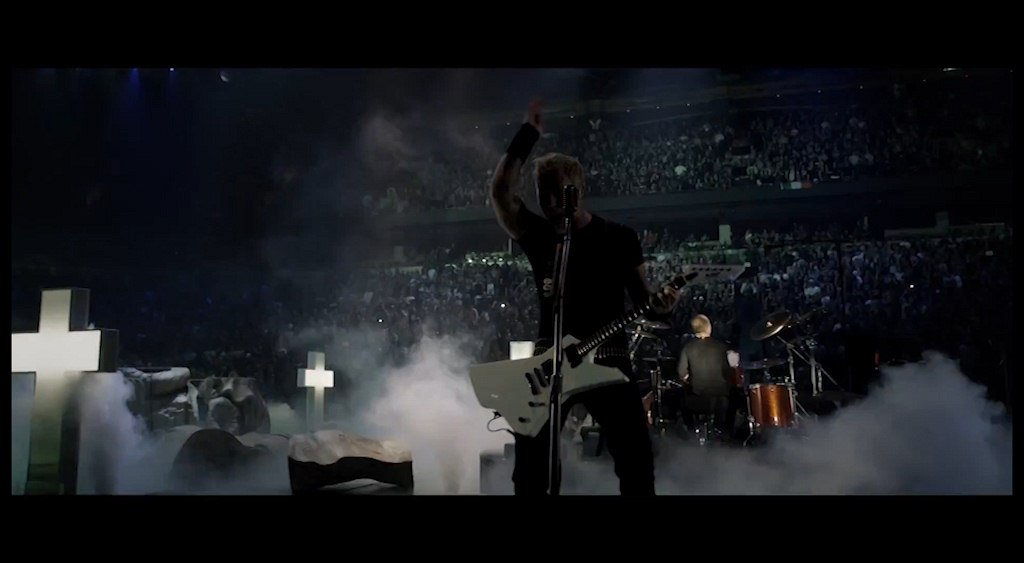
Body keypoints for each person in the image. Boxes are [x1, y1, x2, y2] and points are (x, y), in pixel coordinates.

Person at [489, 100, 682, 495]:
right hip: (550, 361)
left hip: (609, 358)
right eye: (543, 193)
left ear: (578, 190)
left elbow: (645, 302)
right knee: (532, 469)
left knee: (635, 462)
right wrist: (527, 136)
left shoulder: (619, 238)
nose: (549, 202)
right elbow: (501, 192)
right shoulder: (541, 236)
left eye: (557, 192)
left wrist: (662, 305)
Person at [677, 314, 733, 438]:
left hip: (697, 400)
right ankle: (724, 431)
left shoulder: (688, 348)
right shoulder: (721, 347)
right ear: (709, 327)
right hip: (720, 401)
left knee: (681, 399)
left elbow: (681, 373)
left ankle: (691, 431)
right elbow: (727, 372)